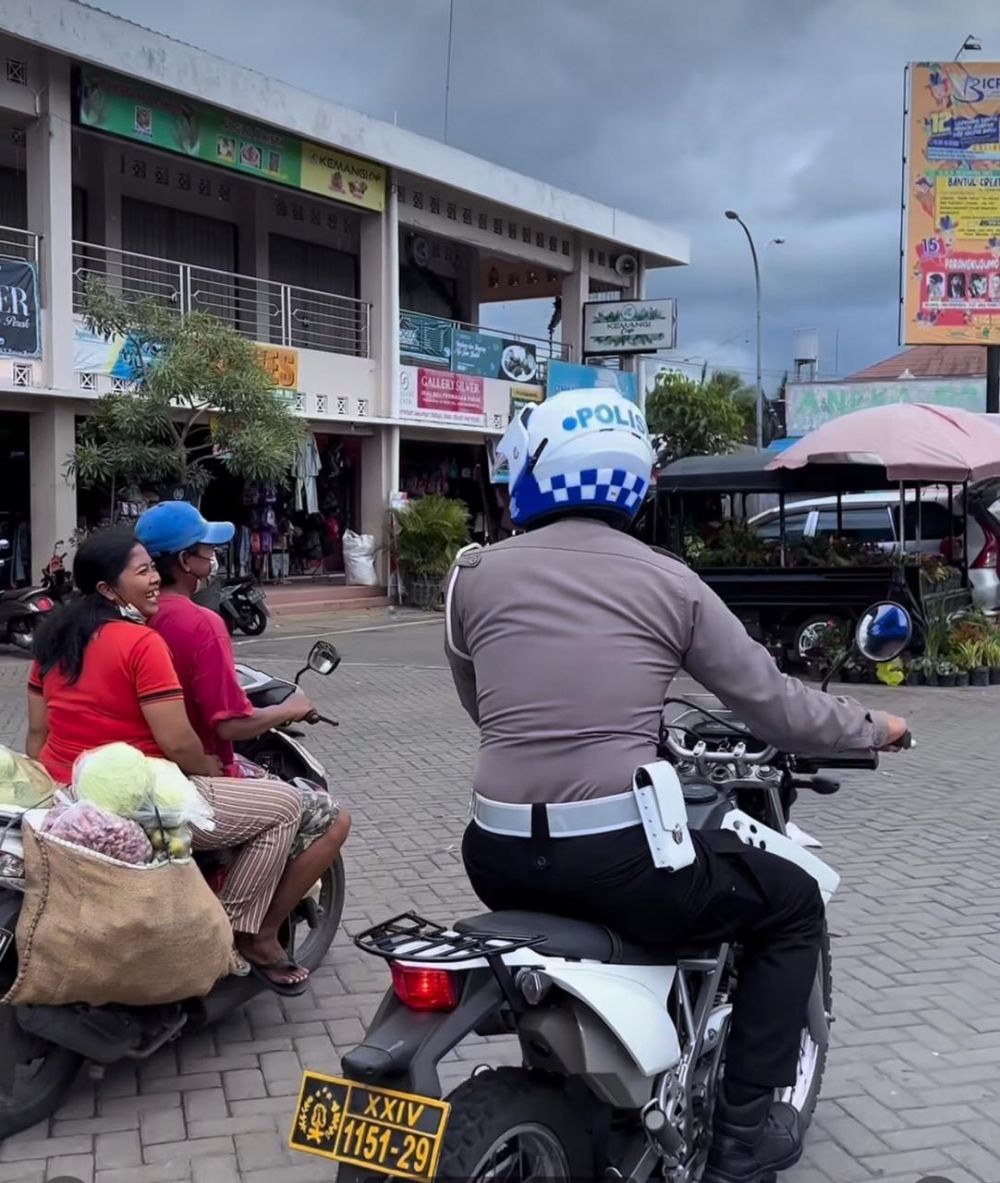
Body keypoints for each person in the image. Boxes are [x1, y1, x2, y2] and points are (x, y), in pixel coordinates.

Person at [444, 388, 909, 1183]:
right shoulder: (671, 582)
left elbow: (483, 705)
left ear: (532, 470)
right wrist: (873, 726)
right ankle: (740, 1137)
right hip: (617, 858)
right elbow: (774, 705)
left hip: (494, 851)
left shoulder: (471, 574)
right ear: (633, 478)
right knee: (790, 903)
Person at [25, 528, 317, 996]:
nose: (154, 579)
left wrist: (55, 793)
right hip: (142, 796)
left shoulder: (52, 642)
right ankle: (239, 930)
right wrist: (215, 770)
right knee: (285, 805)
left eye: (152, 568)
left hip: (69, 792)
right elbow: (177, 742)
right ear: (107, 589)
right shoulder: (141, 643)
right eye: (141, 572)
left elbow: (37, 734)